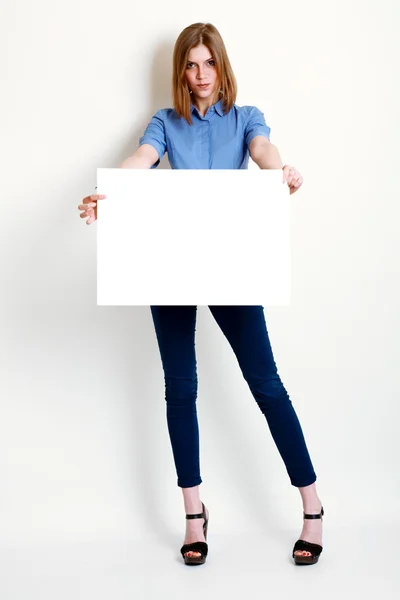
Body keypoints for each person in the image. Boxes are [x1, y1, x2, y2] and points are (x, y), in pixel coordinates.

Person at [78, 22, 324, 567]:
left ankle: (311, 505)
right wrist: (109, 192)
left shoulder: (246, 117)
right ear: (181, 72)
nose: (200, 75)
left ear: (222, 66)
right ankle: (194, 512)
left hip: (230, 262)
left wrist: (278, 170)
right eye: (190, 65)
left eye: (208, 63)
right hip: (170, 262)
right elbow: (141, 159)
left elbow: (263, 148)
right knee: (179, 388)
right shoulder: (166, 122)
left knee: (266, 384)